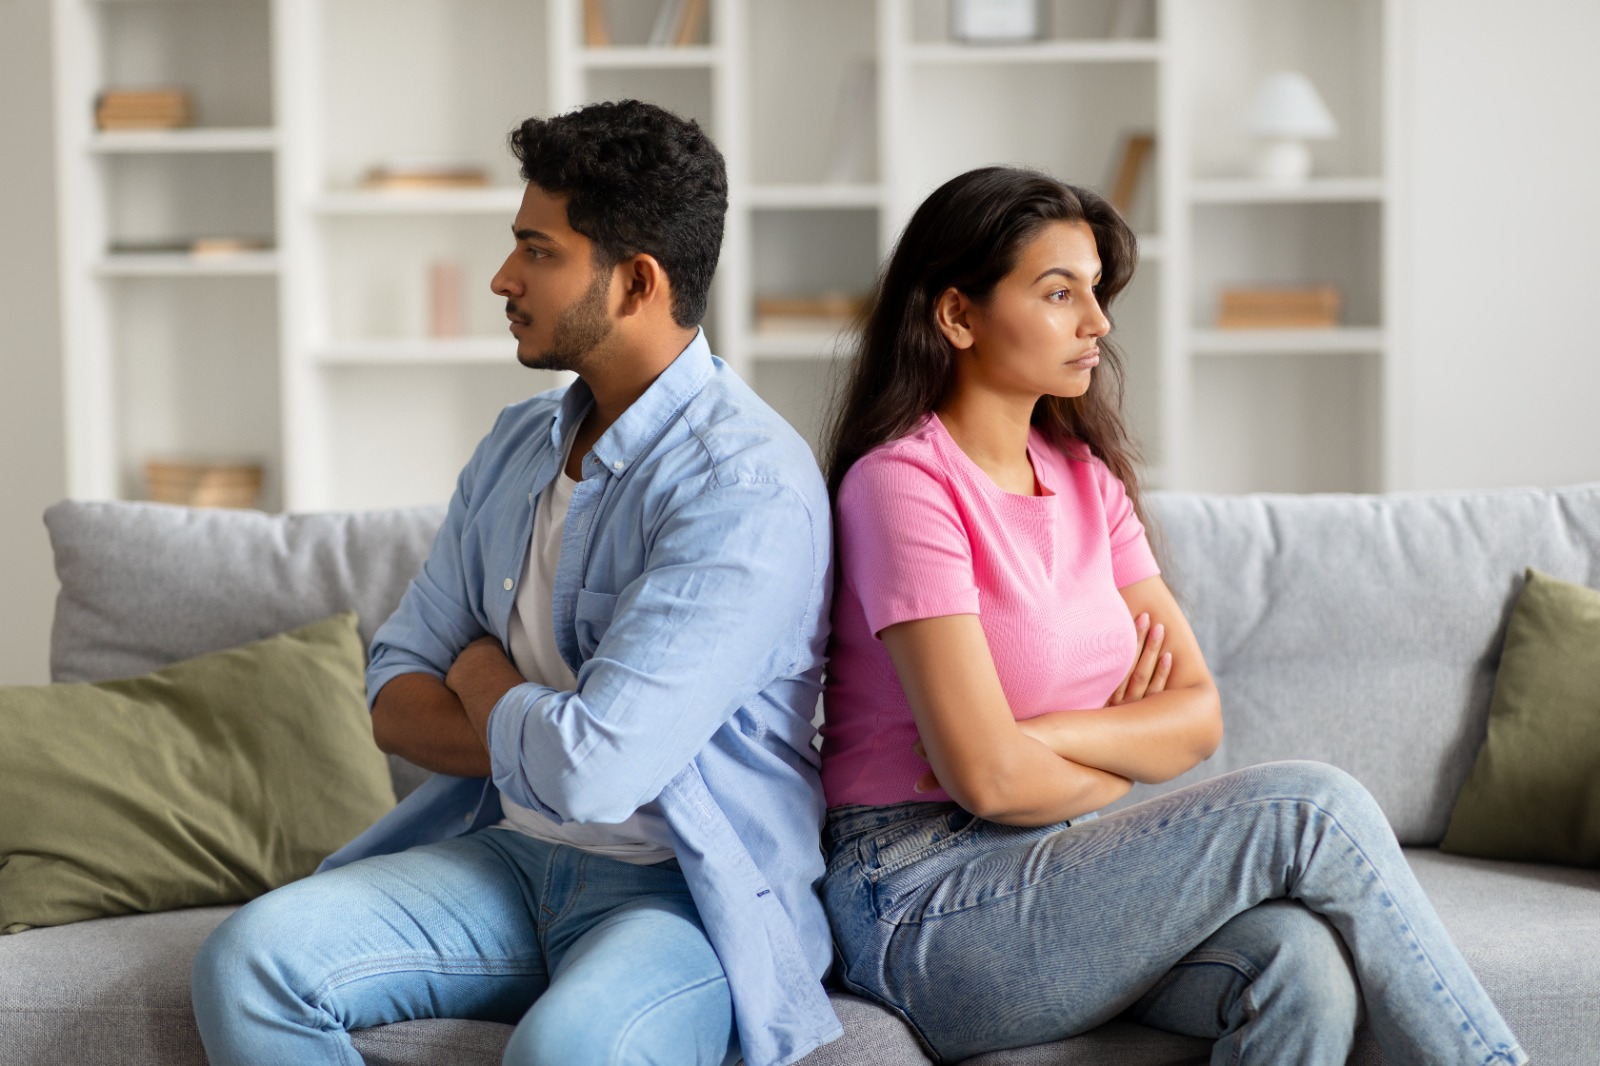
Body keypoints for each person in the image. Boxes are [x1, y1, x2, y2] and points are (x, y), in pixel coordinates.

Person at [816, 165, 1526, 1065]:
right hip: (923, 897)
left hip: (1067, 861)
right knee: (1313, 807)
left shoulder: (1086, 479)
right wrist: (1115, 750)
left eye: (1097, 293)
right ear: (957, 316)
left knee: (1300, 965)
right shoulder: (902, 487)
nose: (1098, 323)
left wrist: (1045, 734)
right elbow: (988, 782)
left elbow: (1194, 716)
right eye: (1059, 292)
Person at [190, 100, 841, 1066]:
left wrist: (490, 684)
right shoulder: (515, 446)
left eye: (537, 251)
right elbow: (395, 695)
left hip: (682, 896)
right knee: (248, 961)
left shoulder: (744, 489)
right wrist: (548, 733)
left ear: (638, 282)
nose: (504, 277)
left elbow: (597, 772)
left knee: (567, 1052)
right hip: (510, 858)